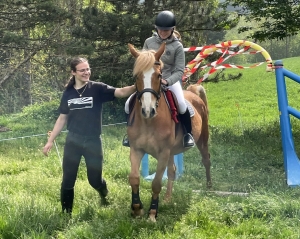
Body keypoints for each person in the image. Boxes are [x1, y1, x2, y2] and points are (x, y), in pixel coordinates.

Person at [43, 57, 136, 215]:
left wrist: (137, 85)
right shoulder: (68, 93)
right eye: (82, 70)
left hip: (93, 142)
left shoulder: (97, 88)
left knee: (94, 180)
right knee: (67, 180)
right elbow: (62, 118)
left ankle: (103, 193)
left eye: (88, 69)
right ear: (73, 72)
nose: (86, 72)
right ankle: (66, 214)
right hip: (73, 141)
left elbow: (120, 92)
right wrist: (50, 141)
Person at [122, 10, 195, 148]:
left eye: (166, 30)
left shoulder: (177, 46)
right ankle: (130, 134)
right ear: (156, 28)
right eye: (160, 29)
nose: (163, 32)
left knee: (181, 103)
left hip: (169, 80)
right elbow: (142, 62)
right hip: (149, 80)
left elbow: (179, 69)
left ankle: (188, 135)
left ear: (172, 29)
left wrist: (167, 81)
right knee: (128, 103)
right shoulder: (149, 42)